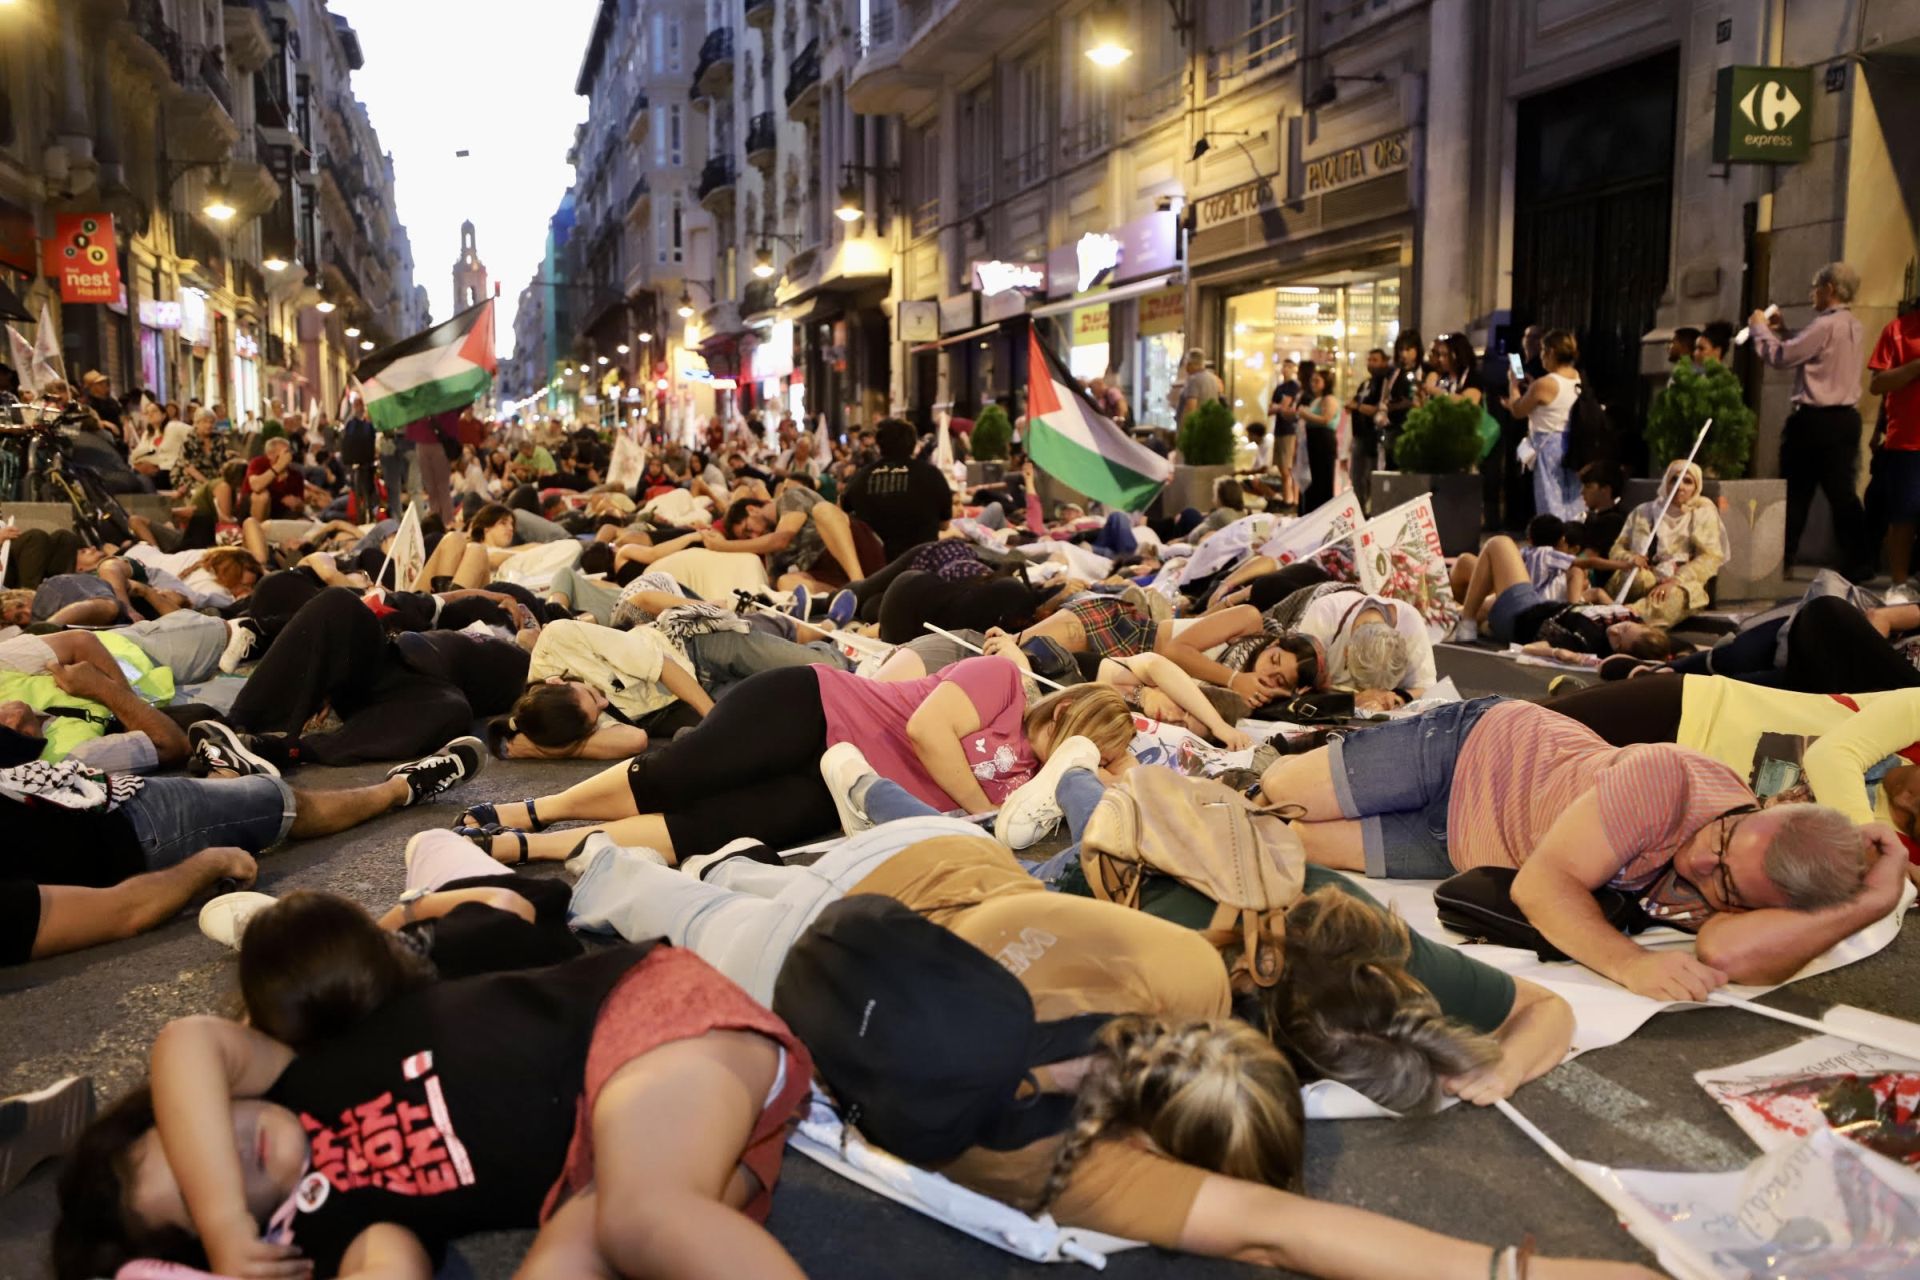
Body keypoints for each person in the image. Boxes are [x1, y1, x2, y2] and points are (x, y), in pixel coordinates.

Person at [562, 798, 1650, 1280]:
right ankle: (626, 872)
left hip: (932, 857)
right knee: (649, 899)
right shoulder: (1041, 1154)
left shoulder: (1186, 967)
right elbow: (1274, 1229)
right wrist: (1508, 1265)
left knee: (720, 888)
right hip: (811, 954)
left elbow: (1067, 890)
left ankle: (718, 861)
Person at [52, 924, 813, 1280]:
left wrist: (218, 1220)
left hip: (629, 1022)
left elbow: (186, 1041)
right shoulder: (316, 1231)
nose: (215, 1165)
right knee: (569, 1256)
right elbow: (389, 1260)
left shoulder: (289, 1071)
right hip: (601, 1161)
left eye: (194, 1143)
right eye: (196, 1196)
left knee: (644, 1216)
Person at [1256, 697, 1900, 999]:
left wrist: (1872, 901)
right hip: (1474, 747)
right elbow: (1543, 887)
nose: (1703, 863)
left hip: (1457, 843)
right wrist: (1629, 963)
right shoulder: (1667, 779)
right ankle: (1326, 740)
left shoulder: (1756, 872)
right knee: (1275, 789)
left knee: (1283, 839)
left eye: (1726, 886)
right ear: (1762, 810)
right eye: (1724, 838)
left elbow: (1725, 951)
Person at [452, 657, 1135, 864]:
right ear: (1068, 710)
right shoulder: (1004, 683)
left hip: (841, 789)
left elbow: (1111, 800)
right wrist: (978, 813)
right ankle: (532, 807)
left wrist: (1105, 772)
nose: (1075, 752)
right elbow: (929, 731)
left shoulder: (1039, 777)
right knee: (674, 775)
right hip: (815, 706)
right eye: (1083, 734)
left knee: (709, 833)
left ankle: (534, 847)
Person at [1, 737, 483, 965]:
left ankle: (232, 773)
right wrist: (206, 864)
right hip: (130, 822)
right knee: (283, 804)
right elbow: (123, 911)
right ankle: (401, 788)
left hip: (84, 795)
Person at [1750, 262, 1869, 576]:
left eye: (1816, 287)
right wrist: (1784, 331)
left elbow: (1783, 356)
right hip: (1845, 420)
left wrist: (1759, 328)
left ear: (1829, 289)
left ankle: (1782, 560)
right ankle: (1860, 559)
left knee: (1795, 492)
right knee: (1842, 492)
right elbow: (1810, 353)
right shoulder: (1853, 325)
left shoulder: (1825, 325)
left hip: (1814, 422)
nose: (1811, 294)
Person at [1582, 460, 1727, 627]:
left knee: (1673, 596)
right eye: (1674, 479)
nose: (1680, 486)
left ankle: (1628, 617)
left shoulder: (1702, 513)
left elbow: (1710, 557)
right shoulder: (1644, 511)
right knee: (1637, 578)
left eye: (1687, 481)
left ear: (1696, 487)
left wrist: (1676, 580)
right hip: (1643, 573)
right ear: (1666, 482)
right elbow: (1618, 548)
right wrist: (1630, 558)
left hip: (1682, 580)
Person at [709, 484, 885, 591]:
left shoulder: (789, 498)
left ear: (751, 509)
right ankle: (848, 597)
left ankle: (858, 583)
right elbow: (774, 585)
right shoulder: (770, 551)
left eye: (748, 529)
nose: (753, 536)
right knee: (785, 583)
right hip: (828, 574)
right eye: (748, 537)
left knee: (822, 510)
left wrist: (722, 546)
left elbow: (782, 538)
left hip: (853, 550)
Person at [838, 417, 953, 561]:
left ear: (879, 445)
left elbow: (842, 516)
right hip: (923, 566)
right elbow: (944, 525)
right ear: (913, 444)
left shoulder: (860, 478)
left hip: (875, 568)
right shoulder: (932, 475)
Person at [1503, 328, 1585, 521]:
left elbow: (1518, 410)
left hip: (1548, 448)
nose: (1540, 356)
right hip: (1573, 445)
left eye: (1542, 351)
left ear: (1551, 352)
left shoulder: (1545, 384)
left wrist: (1514, 385)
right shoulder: (1576, 377)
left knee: (1550, 500)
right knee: (1572, 501)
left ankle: (1553, 543)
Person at [1868, 299, 1920, 585]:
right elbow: (1877, 384)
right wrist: (1915, 367)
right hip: (1908, 442)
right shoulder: (1898, 330)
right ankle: (1899, 583)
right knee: (1903, 517)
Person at [1347, 348, 1390, 512]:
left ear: (1384, 362)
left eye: (1375, 360)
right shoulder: (1366, 383)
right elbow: (1356, 403)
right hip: (1359, 435)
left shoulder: (1384, 383)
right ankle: (1359, 509)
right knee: (1356, 476)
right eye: (1369, 359)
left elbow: (1379, 408)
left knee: (1371, 476)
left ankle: (1372, 511)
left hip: (1374, 437)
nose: (1371, 363)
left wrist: (1357, 406)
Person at [1296, 366, 1342, 515]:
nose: (1313, 384)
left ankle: (1321, 514)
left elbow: (1326, 419)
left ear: (1326, 383)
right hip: (1312, 442)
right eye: (1312, 381)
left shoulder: (1329, 399)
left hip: (1323, 441)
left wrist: (1305, 415)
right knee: (1312, 479)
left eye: (1317, 381)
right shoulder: (1315, 400)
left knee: (1322, 479)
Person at [1267, 358, 1301, 506]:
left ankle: (1292, 499)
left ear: (1294, 369)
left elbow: (1285, 406)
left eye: (1289, 366)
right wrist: (1279, 407)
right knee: (1281, 466)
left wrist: (1280, 407)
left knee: (1289, 467)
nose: (1286, 369)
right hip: (1279, 430)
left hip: (1290, 430)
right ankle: (1288, 497)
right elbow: (1270, 409)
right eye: (1284, 366)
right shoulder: (1279, 388)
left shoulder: (1294, 387)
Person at [1576, 460, 1627, 555]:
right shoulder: (1591, 518)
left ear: (1605, 490)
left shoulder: (1613, 521)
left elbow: (1589, 556)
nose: (1582, 492)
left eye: (1588, 487)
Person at [1173, 349, 1224, 425]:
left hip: (1197, 428)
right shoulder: (1214, 378)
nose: (1185, 367)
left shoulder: (1193, 380)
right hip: (1210, 425)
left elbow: (1191, 407)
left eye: (1186, 363)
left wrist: (1188, 427)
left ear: (1191, 364)